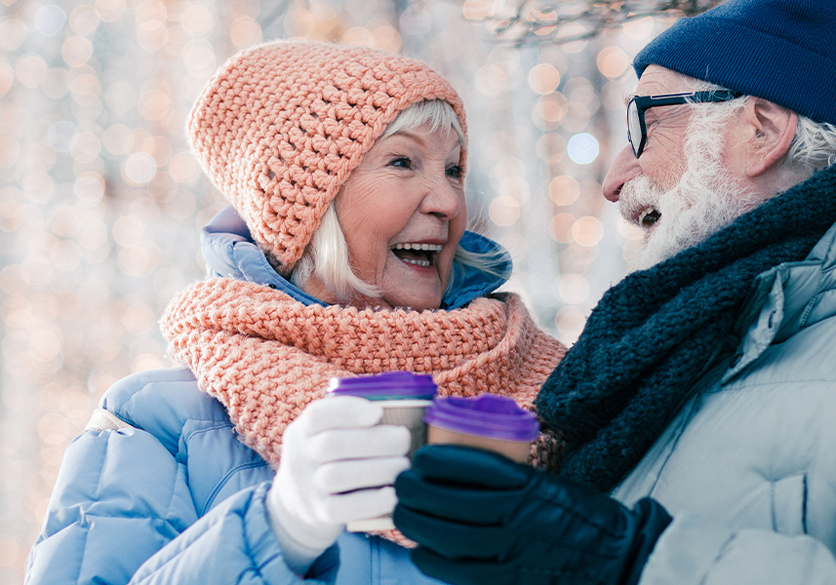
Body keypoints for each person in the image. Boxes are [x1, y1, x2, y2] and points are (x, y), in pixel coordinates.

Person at [24, 41, 567, 585]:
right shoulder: (158, 423)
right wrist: (279, 527)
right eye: (402, 161)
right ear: (311, 210)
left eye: (452, 170)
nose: (448, 202)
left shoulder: (555, 387)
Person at [393, 1, 836, 584]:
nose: (612, 181)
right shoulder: (682, 340)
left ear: (762, 131)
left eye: (642, 128)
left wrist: (626, 560)